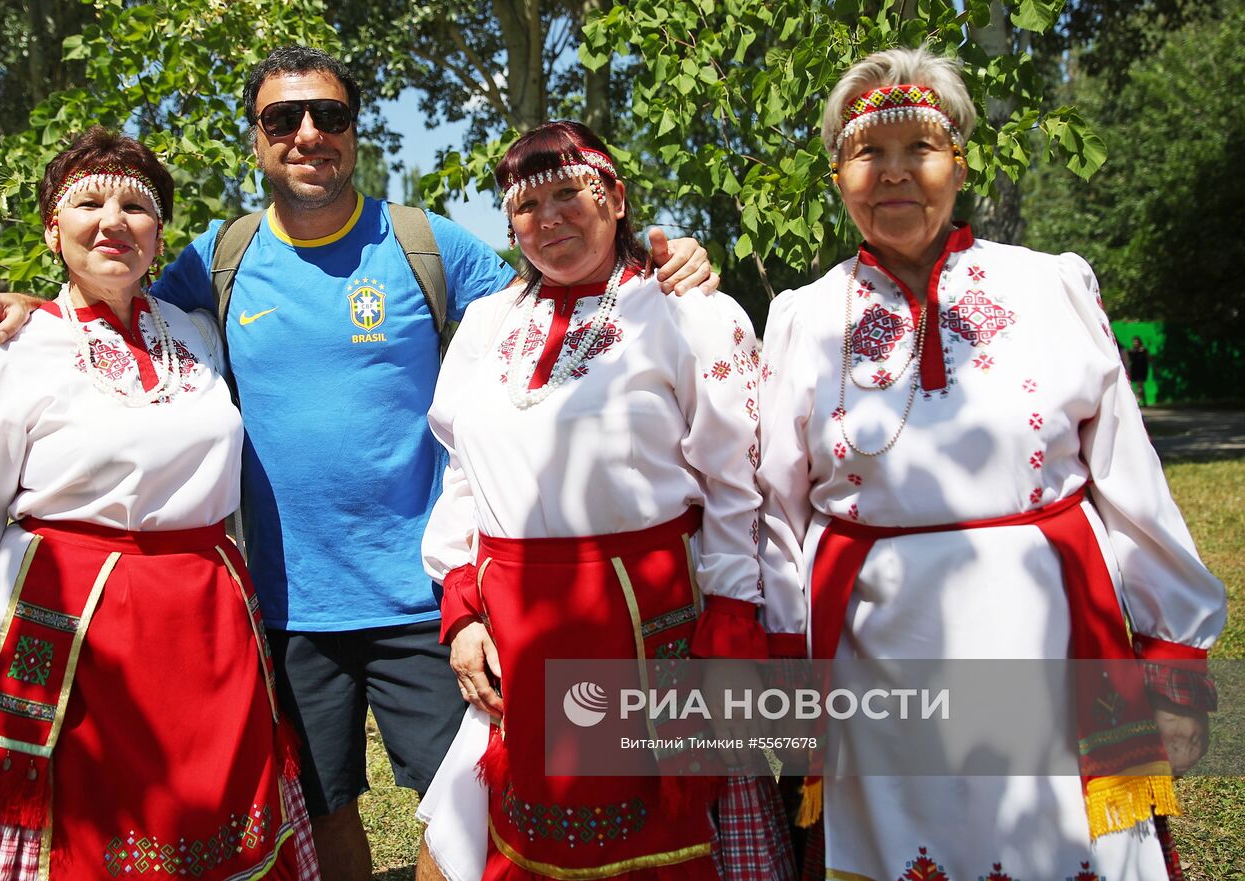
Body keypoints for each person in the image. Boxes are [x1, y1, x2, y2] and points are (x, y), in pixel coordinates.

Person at [0, 47, 720, 881]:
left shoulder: (427, 242)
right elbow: (113, 296)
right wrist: (24, 303)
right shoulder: (218, 256)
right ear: (257, 139)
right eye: (284, 118)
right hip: (282, 605)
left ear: (355, 131)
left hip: (425, 602)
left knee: (463, 796)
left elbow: (555, 283)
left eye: (330, 116)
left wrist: (665, 263)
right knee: (322, 805)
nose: (308, 133)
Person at [755, 46, 1225, 881]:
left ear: (960, 164)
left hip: (1052, 644)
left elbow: (1128, 478)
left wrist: (1177, 660)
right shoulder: (802, 318)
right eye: (869, 152)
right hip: (879, 663)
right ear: (838, 173)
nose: (895, 173)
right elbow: (777, 515)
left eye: (920, 150)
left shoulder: (1050, 287)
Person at [0, 127, 318, 879]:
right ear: (53, 230)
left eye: (136, 206)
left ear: (161, 235)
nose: (112, 220)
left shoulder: (196, 335)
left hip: (209, 634)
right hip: (75, 645)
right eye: (87, 203)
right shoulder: (3, 352)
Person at [418, 120, 792, 881]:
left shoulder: (688, 314)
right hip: (515, 631)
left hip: (645, 626)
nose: (549, 219)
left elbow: (737, 483)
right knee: (496, 836)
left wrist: (730, 615)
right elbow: (464, 473)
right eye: (527, 205)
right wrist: (459, 608)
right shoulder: (489, 325)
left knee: (660, 842)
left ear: (616, 199)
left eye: (569, 194)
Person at [1129, 335, 1151, 405]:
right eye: (1134, 342)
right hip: (1135, 370)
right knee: (1140, 386)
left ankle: (1137, 400)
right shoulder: (1132, 352)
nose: (1135, 343)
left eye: (1136, 342)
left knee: (1140, 385)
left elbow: (1148, 359)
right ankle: (1144, 402)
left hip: (1142, 370)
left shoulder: (1144, 351)